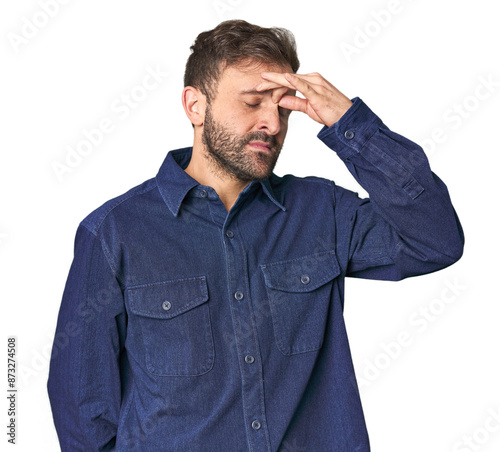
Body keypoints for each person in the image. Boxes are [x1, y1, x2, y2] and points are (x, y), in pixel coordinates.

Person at [47, 19, 464, 452]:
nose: (273, 122)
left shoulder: (323, 212)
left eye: (283, 108)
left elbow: (435, 241)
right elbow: (83, 409)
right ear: (195, 106)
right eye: (252, 103)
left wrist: (349, 125)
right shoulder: (114, 233)